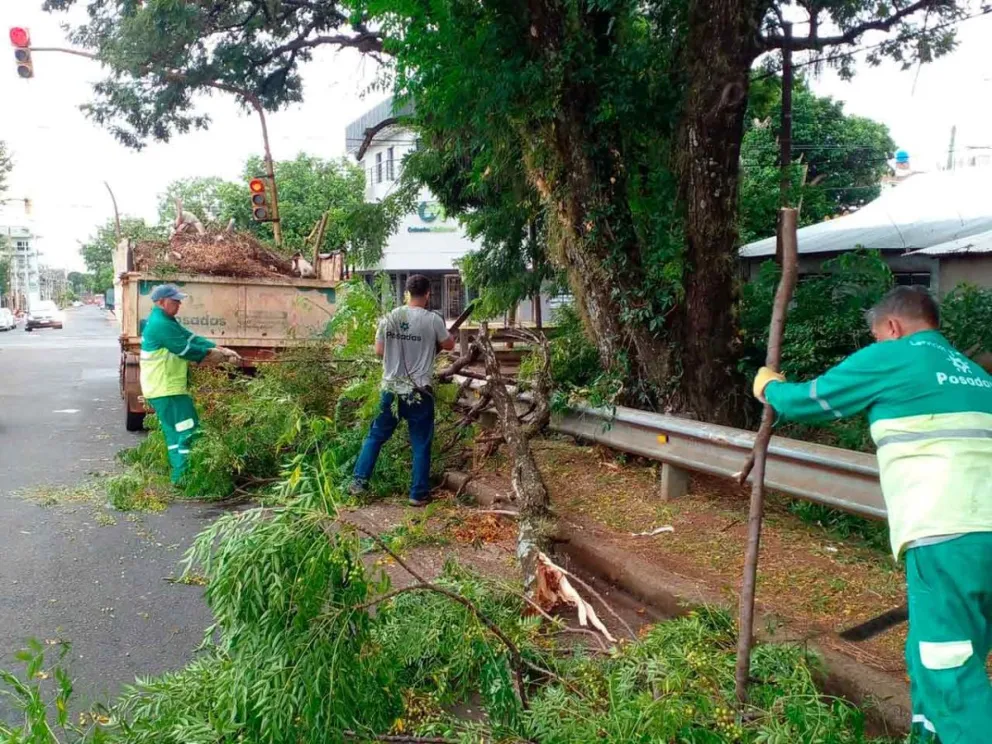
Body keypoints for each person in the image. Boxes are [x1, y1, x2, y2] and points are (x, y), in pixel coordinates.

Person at [753, 285, 992, 742]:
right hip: (978, 539)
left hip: (947, 533)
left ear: (893, 327)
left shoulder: (894, 356)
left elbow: (811, 401)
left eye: (877, 337)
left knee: (950, 671)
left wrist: (770, 387)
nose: (877, 344)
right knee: (941, 653)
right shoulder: (977, 375)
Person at [352, 274, 456, 506]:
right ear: (428, 294)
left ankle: (358, 484)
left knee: (376, 437)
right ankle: (417, 495)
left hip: (390, 389)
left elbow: (379, 350)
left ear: (407, 293)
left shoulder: (389, 317)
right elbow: (449, 345)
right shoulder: (433, 320)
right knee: (420, 442)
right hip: (419, 391)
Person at [140, 284, 240, 484]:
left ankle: (179, 477)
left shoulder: (166, 320)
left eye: (179, 301)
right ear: (161, 302)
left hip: (162, 389)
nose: (179, 304)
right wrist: (216, 356)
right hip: (168, 389)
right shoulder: (160, 325)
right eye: (175, 301)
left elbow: (190, 337)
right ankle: (187, 476)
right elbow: (185, 349)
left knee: (173, 434)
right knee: (188, 430)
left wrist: (218, 347)